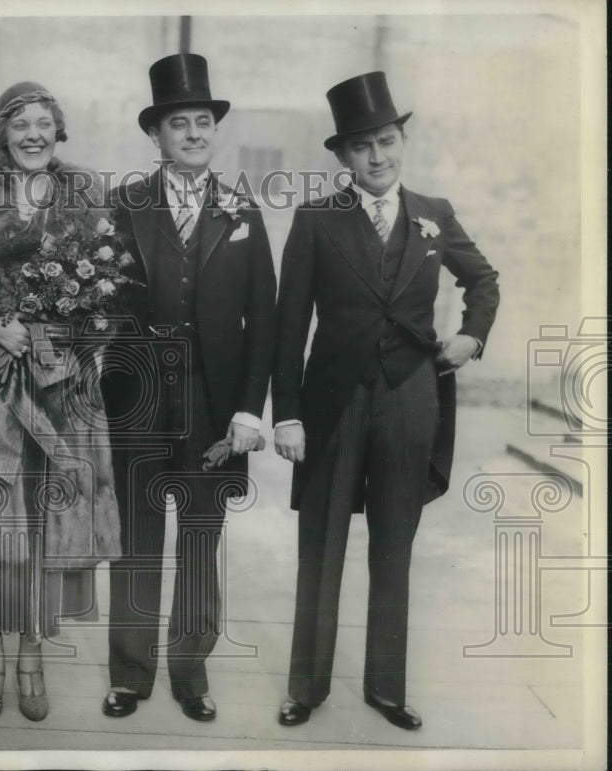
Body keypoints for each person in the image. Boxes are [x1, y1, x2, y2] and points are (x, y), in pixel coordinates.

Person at [272, 72, 500, 730]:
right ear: (342, 157)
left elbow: (483, 281)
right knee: (321, 545)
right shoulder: (316, 220)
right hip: (332, 402)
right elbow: (290, 327)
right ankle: (305, 687)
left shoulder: (436, 212)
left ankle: (386, 687)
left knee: (394, 545)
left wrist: (472, 337)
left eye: (388, 140)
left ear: (402, 141)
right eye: (363, 146)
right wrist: (286, 411)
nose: (379, 157)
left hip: (410, 397)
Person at [0, 81, 121, 723]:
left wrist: (74, 330)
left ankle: (31, 657)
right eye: (20, 125)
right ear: (2, 132)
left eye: (44, 123)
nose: (33, 134)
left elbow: (110, 291)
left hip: (60, 390)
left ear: (58, 130)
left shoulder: (86, 194)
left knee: (41, 528)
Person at [99, 53, 277, 723]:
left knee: (201, 536)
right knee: (138, 537)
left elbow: (264, 314)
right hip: (138, 397)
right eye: (180, 123)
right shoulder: (125, 204)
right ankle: (130, 671)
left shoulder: (242, 209)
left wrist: (247, 408)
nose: (195, 133)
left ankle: (191, 671)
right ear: (157, 135)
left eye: (204, 121)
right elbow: (101, 299)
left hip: (213, 401)